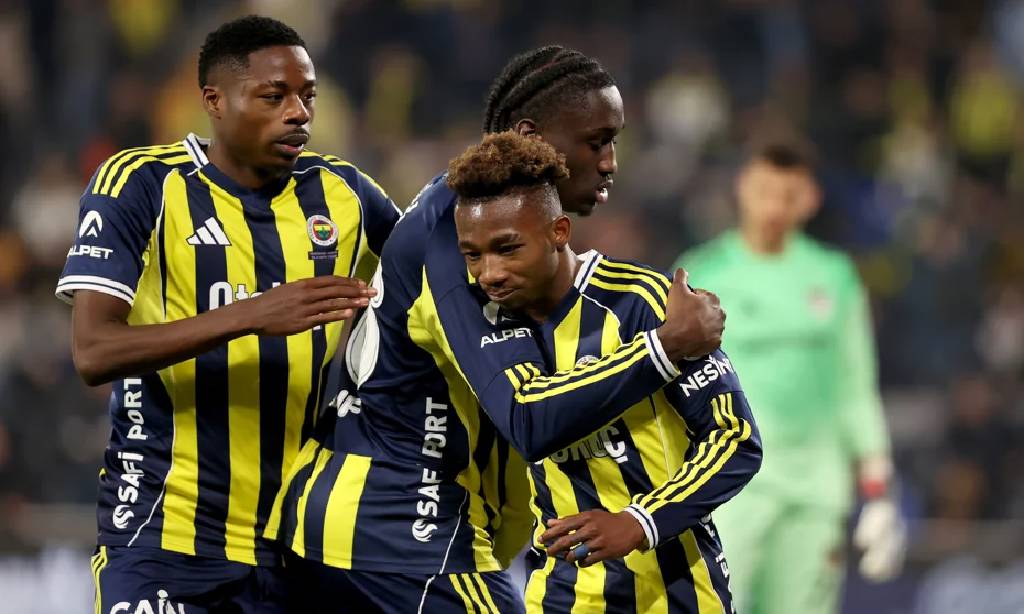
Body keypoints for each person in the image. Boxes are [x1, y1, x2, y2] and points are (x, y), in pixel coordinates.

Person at [271, 47, 726, 612]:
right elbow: (527, 416)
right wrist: (666, 347)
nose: (610, 162)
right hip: (399, 527)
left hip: (366, 523)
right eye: (596, 141)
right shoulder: (464, 234)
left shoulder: (463, 212)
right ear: (531, 135)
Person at [56, 15, 399, 612]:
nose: (299, 114)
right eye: (274, 96)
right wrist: (252, 314)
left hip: (302, 547)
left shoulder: (345, 195)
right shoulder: (142, 184)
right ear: (214, 101)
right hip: (163, 536)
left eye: (307, 96)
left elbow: (438, 285)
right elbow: (93, 351)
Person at [451, 131, 763, 613]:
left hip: (676, 590)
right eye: (473, 255)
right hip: (561, 593)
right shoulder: (484, 323)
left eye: (507, 248)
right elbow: (527, 422)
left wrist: (640, 522)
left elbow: (736, 438)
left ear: (559, 231)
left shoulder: (642, 301)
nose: (489, 273)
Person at [677, 142, 904, 614]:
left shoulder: (835, 277)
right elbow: (671, 386)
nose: (775, 208)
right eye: (765, 192)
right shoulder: (700, 274)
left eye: (788, 195)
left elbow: (855, 385)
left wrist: (879, 491)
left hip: (817, 490)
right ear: (743, 189)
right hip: (726, 485)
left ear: (810, 199)